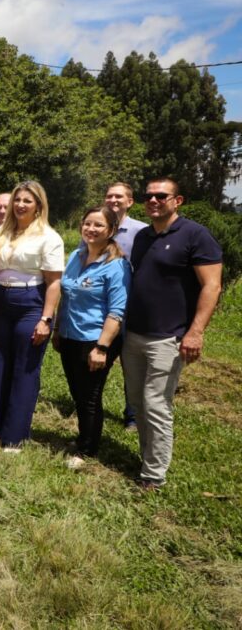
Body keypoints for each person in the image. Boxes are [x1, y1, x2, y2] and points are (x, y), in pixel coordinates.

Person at [122, 178, 222, 490]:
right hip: (135, 334)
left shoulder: (195, 235)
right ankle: (147, 456)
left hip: (169, 336)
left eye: (161, 196)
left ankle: (153, 475)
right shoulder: (143, 237)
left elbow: (211, 285)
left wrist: (196, 332)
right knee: (138, 402)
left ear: (177, 200)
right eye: (149, 196)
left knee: (156, 404)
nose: (153, 200)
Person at [0, 181, 64, 451]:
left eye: (27, 201)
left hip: (31, 302)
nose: (20, 205)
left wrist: (46, 319)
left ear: (38, 205)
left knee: (24, 368)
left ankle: (14, 435)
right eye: (17, 200)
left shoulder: (49, 237)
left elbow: (53, 282)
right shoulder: (1, 234)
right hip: (0, 301)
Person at [54, 207, 131, 468]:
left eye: (98, 225)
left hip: (95, 340)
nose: (91, 229)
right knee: (78, 392)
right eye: (87, 224)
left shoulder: (117, 266)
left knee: (89, 396)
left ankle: (87, 450)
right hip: (69, 336)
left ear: (110, 231)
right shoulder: (77, 255)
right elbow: (66, 296)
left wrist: (101, 347)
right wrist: (57, 330)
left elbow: (117, 310)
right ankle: (83, 436)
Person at [102, 181, 149, 429]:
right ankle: (90, 406)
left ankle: (132, 415)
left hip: (132, 309)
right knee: (100, 358)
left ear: (130, 202)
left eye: (119, 197)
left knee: (132, 366)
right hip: (101, 308)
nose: (113, 200)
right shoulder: (97, 226)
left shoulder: (142, 232)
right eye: (109, 196)